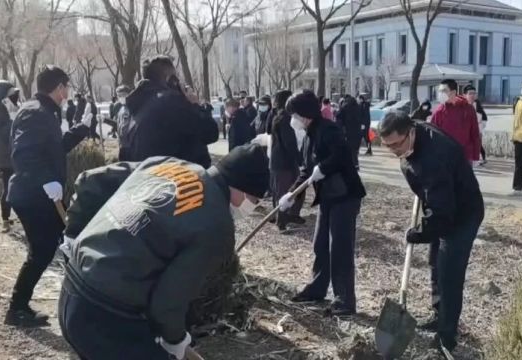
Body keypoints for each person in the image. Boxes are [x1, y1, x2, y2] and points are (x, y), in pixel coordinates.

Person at [58, 144, 270, 359]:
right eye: (254, 200)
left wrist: (74, 232)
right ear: (242, 189)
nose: (252, 207)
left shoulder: (167, 164)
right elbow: (168, 302)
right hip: (107, 315)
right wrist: (176, 340)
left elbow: (91, 179)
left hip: (71, 288)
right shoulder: (217, 227)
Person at [378, 112, 484, 356]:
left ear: (410, 132)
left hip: (462, 215)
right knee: (435, 263)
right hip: (441, 203)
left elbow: (443, 214)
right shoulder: (414, 136)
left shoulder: (432, 158)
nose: (393, 150)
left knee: (449, 274)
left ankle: (447, 338)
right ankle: (439, 314)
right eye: (387, 145)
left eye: (397, 144)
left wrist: (418, 233)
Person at [4, 65, 92, 327]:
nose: (68, 92)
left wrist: (81, 130)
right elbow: (23, 153)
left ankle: (78, 303)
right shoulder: (36, 112)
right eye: (66, 87)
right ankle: (16, 309)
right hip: (33, 194)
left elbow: (55, 149)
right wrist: (46, 181)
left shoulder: (44, 111)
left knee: (61, 242)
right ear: (59, 88)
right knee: (42, 251)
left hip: (40, 192)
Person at [278, 90, 366, 316]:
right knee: (320, 245)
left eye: (294, 114)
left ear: (305, 114)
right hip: (328, 197)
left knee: (340, 248)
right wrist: (290, 195)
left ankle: (344, 300)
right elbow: (307, 171)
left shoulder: (329, 130)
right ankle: (317, 289)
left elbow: (343, 155)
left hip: (345, 196)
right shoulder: (309, 134)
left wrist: (323, 168)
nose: (292, 119)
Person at [128, 55, 219, 168]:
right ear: (170, 79)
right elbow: (211, 133)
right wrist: (195, 105)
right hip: (180, 178)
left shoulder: (137, 105)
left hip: (150, 178)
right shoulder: (171, 102)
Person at [270, 90, 305, 231]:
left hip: (284, 160)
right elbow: (289, 142)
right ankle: (281, 221)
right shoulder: (284, 118)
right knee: (283, 192)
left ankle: (290, 215)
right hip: (283, 162)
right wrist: (299, 159)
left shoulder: (281, 116)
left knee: (294, 190)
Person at [0, 81, 19, 232]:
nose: (14, 96)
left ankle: (15, 215)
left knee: (18, 186)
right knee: (8, 187)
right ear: (2, 96)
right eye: (10, 94)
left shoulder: (9, 108)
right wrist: (13, 119)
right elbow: (2, 134)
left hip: (15, 153)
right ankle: (5, 219)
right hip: (6, 157)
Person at [431, 79, 480, 165]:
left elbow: (475, 133)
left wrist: (475, 156)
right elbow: (432, 135)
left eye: (444, 91)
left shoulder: (468, 109)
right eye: (439, 91)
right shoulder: (438, 111)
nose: (440, 94)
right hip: (445, 158)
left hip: (465, 157)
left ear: (453, 92)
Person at [463, 85, 488, 165]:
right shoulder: (460, 106)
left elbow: (484, 117)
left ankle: (478, 159)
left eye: (474, 93)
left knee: (477, 147)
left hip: (476, 132)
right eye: (470, 93)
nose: (472, 95)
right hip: (464, 135)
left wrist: (480, 129)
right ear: (465, 95)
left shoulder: (477, 105)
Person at [336, 95, 363, 169]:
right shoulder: (358, 107)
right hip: (357, 132)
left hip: (348, 132)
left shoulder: (345, 107)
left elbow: (338, 117)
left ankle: (351, 165)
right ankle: (355, 164)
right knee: (354, 150)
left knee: (349, 149)